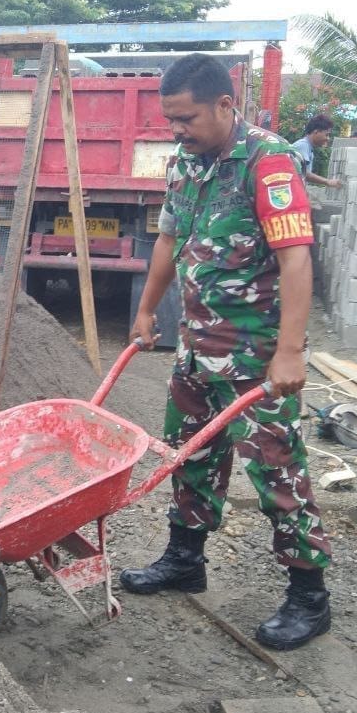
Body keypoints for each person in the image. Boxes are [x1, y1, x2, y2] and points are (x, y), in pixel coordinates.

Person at [123, 53, 333, 651]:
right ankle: (184, 559)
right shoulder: (186, 163)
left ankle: (310, 596)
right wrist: (146, 309)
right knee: (190, 454)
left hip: (255, 356)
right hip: (196, 346)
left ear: (224, 104)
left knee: (276, 467)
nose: (178, 130)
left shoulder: (269, 160)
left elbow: (296, 258)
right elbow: (169, 236)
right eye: (171, 120)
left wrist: (289, 351)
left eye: (186, 118)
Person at [292, 114, 341, 189]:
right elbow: (304, 172)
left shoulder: (308, 147)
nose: (328, 138)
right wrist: (327, 181)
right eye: (326, 135)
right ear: (316, 132)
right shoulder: (303, 145)